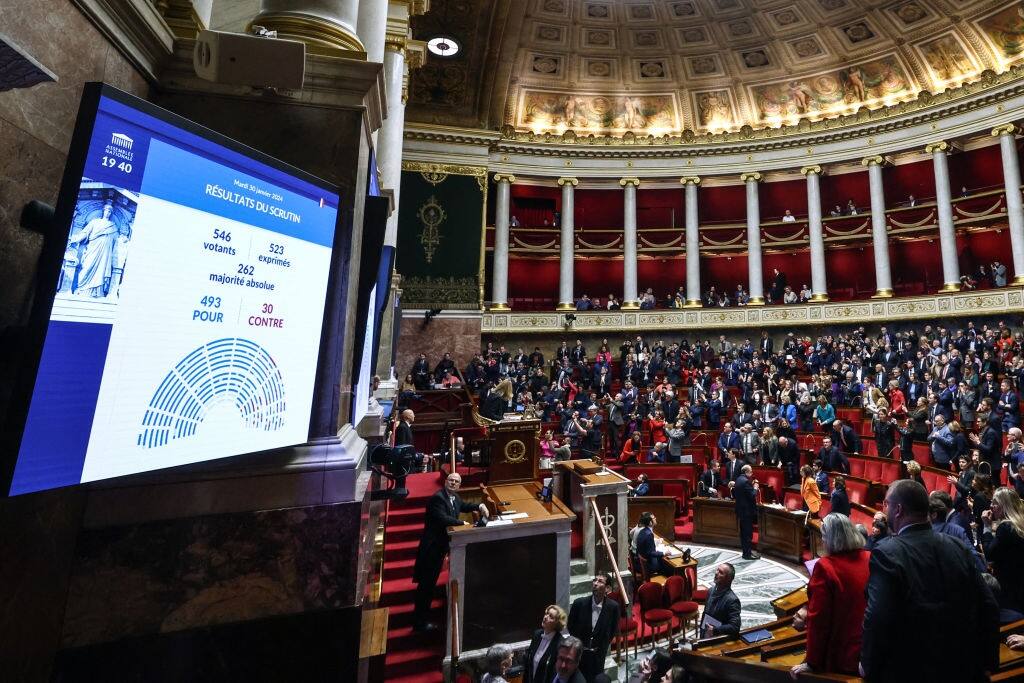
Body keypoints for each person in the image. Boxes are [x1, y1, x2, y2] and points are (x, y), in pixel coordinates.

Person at [860, 480, 1000, 681]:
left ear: (898, 509)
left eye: (886, 504)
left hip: (913, 671)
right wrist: (988, 663)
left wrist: (867, 665)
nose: (884, 509)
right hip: (963, 668)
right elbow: (989, 605)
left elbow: (878, 618)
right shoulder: (956, 545)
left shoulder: (887, 553)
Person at [790, 513, 870, 678]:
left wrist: (811, 662)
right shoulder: (869, 557)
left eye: (823, 537)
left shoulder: (825, 567)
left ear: (830, 538)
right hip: (869, 648)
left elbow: (820, 620)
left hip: (842, 652)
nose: (822, 541)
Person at [412, 472, 489, 632]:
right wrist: (463, 523)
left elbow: (464, 506)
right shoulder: (438, 498)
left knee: (429, 585)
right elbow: (442, 518)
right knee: (426, 586)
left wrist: (479, 505)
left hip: (440, 548)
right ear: (446, 481)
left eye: (456, 481)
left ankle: (422, 618)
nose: (453, 483)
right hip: (431, 549)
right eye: (451, 480)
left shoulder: (454, 497)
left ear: (459, 485)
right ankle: (419, 623)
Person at [567, 573, 620, 682]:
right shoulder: (579, 604)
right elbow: (570, 626)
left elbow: (612, 631)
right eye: (595, 580)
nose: (595, 583)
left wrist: (602, 646)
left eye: (600, 581)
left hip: (598, 656)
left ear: (608, 588)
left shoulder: (613, 607)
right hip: (579, 655)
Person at [981, 487, 1024, 614]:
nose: (991, 505)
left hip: (1009, 585)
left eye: (995, 502)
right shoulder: (1019, 524)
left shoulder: (1006, 527)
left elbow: (989, 554)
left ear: (1004, 505)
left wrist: (987, 527)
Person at [68, 202, 119, 297]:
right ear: (103, 211)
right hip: (93, 248)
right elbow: (85, 232)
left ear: (111, 213)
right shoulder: (95, 222)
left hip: (105, 252)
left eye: (109, 211)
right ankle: (81, 288)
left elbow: (117, 240)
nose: (107, 213)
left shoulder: (113, 226)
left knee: (101, 270)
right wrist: (76, 239)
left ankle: (97, 292)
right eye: (106, 210)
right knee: (87, 267)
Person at [697, 562, 742, 639]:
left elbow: (735, 626)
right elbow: (705, 613)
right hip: (705, 635)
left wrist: (715, 630)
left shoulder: (732, 600)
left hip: (718, 639)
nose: (716, 573)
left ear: (728, 579)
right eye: (717, 570)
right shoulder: (710, 591)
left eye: (720, 572)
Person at [524, 605, 567, 683]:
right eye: (546, 613)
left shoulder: (560, 644)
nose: (546, 617)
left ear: (557, 623)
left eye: (551, 616)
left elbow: (555, 674)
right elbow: (529, 662)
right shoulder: (537, 634)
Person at [732, 464, 760, 559]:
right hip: (747, 512)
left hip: (740, 511)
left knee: (743, 533)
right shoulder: (746, 482)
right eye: (751, 472)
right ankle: (747, 554)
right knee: (748, 534)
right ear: (746, 472)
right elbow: (752, 495)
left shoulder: (738, 480)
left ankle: (746, 552)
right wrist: (755, 487)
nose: (752, 473)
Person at [635, 512, 666, 576]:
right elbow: (650, 553)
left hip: (641, 564)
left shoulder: (642, 531)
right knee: (668, 566)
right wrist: (664, 553)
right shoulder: (649, 534)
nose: (655, 518)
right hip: (649, 566)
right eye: (654, 518)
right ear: (650, 522)